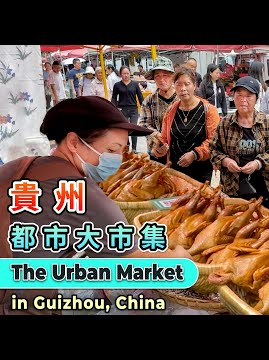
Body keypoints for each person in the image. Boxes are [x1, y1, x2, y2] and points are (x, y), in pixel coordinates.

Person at [0, 96, 190, 315]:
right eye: (111, 150)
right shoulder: (79, 193)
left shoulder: (23, 165)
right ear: (73, 143)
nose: (118, 159)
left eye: (122, 150)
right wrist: (179, 257)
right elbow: (136, 261)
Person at [210, 76, 269, 212]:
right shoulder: (225, 123)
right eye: (239, 95)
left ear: (256, 98)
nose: (243, 100)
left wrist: (258, 163)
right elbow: (213, 150)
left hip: (266, 187)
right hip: (234, 187)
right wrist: (226, 161)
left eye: (248, 96)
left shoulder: (266, 123)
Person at [154, 67, 220, 183]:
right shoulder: (170, 111)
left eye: (187, 84)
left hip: (203, 172)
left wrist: (195, 154)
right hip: (176, 171)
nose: (183, 89)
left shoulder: (209, 110)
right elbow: (164, 139)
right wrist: (159, 150)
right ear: (174, 86)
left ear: (194, 85)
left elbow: (213, 141)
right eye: (178, 84)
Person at [139, 56, 177, 164]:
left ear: (172, 77)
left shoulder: (182, 98)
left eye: (165, 75)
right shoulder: (149, 101)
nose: (161, 79)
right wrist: (158, 139)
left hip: (182, 154)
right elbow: (144, 125)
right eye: (157, 76)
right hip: (158, 152)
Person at [111, 66, 144, 153]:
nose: (126, 75)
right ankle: (127, 145)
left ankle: (134, 148)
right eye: (124, 74)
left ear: (130, 74)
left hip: (133, 109)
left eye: (127, 73)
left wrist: (144, 109)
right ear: (120, 74)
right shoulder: (117, 85)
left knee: (133, 128)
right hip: (122, 109)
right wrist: (114, 108)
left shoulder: (135, 84)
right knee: (125, 129)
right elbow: (114, 98)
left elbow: (140, 97)